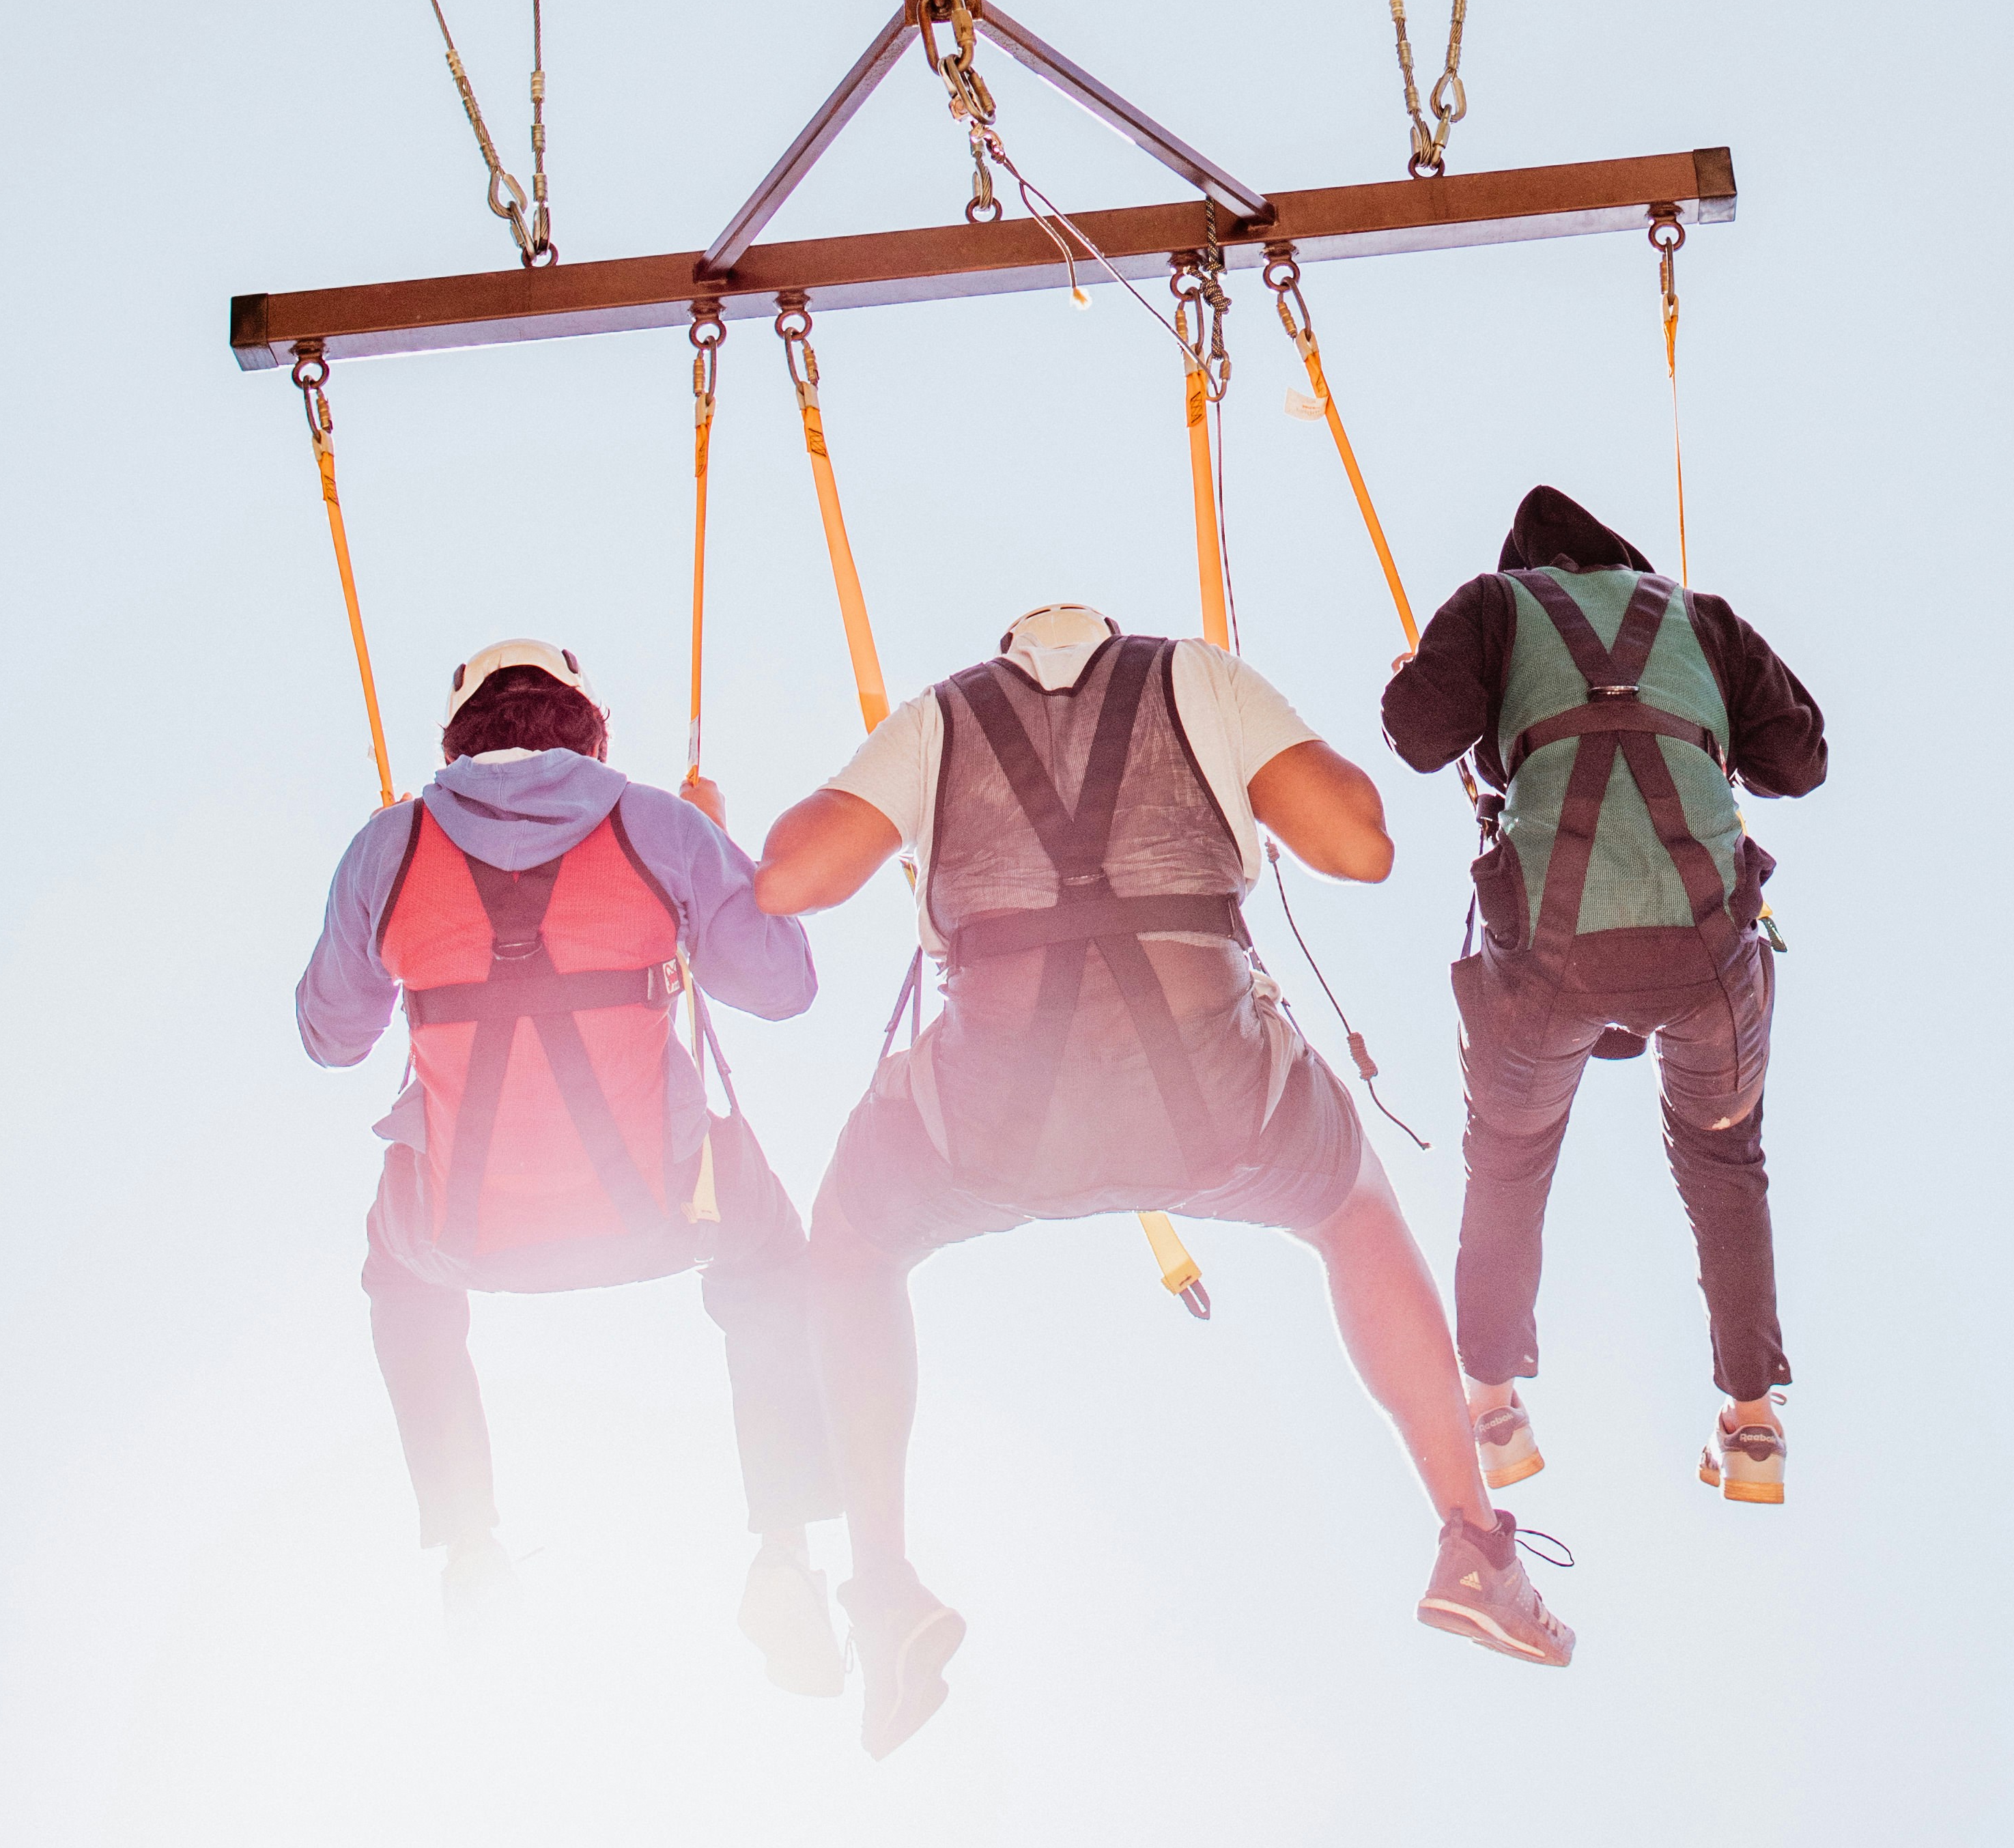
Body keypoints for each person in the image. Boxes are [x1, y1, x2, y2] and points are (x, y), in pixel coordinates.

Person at [754, 599, 1575, 1758]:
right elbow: (1359, 847)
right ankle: (1470, 1539)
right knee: (1353, 1213)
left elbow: (790, 879)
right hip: (1217, 1101)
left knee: (850, 1247)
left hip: (994, 1120)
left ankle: (881, 1582)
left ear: (1008, 652)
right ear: (1111, 636)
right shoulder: (1201, 681)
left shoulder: (939, 721)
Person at [296, 634, 844, 1682]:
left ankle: (468, 1546)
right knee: (771, 1256)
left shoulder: (389, 847)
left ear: (456, 744)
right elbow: (783, 987)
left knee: (397, 1272)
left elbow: (332, 1038)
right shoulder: (656, 824)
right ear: (591, 734)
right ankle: (787, 1548)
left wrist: (383, 894)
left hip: (462, 1233)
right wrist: (717, 854)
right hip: (661, 1209)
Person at [1380, 485, 1826, 1508]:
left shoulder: (1495, 606)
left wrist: (1419, 682)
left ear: (1530, 571)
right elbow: (1798, 761)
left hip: (1550, 955)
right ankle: (1752, 1420)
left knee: (1510, 1155)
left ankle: (1491, 1405)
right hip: (1708, 953)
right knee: (1724, 1160)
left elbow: (1420, 733)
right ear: (1623, 564)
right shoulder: (1700, 619)